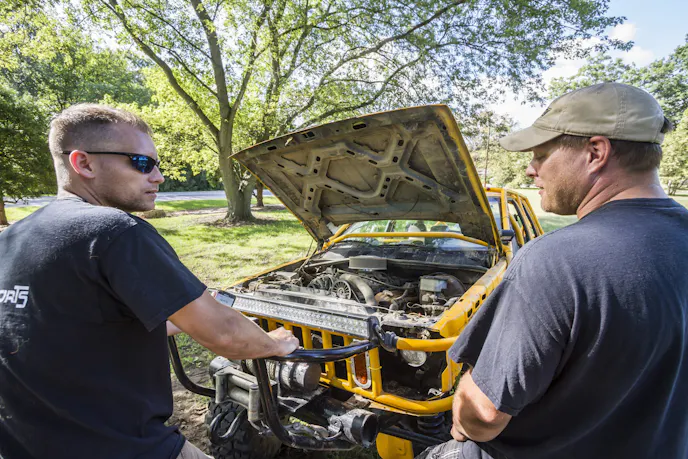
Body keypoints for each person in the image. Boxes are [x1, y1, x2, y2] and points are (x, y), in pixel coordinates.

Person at [0, 104, 300, 459]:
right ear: (84, 163)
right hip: (123, 448)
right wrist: (274, 342)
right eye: (142, 163)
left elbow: (71, 324)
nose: (158, 177)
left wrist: (178, 320)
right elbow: (225, 335)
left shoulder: (11, 239)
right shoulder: (114, 231)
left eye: (157, 165)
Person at [417, 83, 688, 459]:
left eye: (541, 155)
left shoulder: (556, 261)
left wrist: (464, 404)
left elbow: (482, 415)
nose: (530, 169)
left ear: (595, 153)